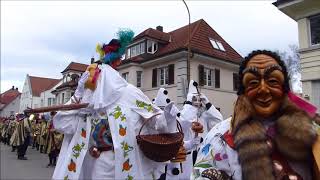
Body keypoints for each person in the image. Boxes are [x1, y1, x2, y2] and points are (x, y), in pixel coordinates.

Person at [192, 50, 319, 180]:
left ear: (284, 88)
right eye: (253, 82)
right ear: (243, 91)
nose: (263, 89)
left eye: (273, 80)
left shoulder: (310, 130)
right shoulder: (219, 136)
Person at [53, 62, 180, 179]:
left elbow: (155, 121)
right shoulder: (87, 100)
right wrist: (78, 94)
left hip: (127, 162)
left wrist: (167, 117)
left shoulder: (129, 94)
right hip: (97, 163)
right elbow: (62, 124)